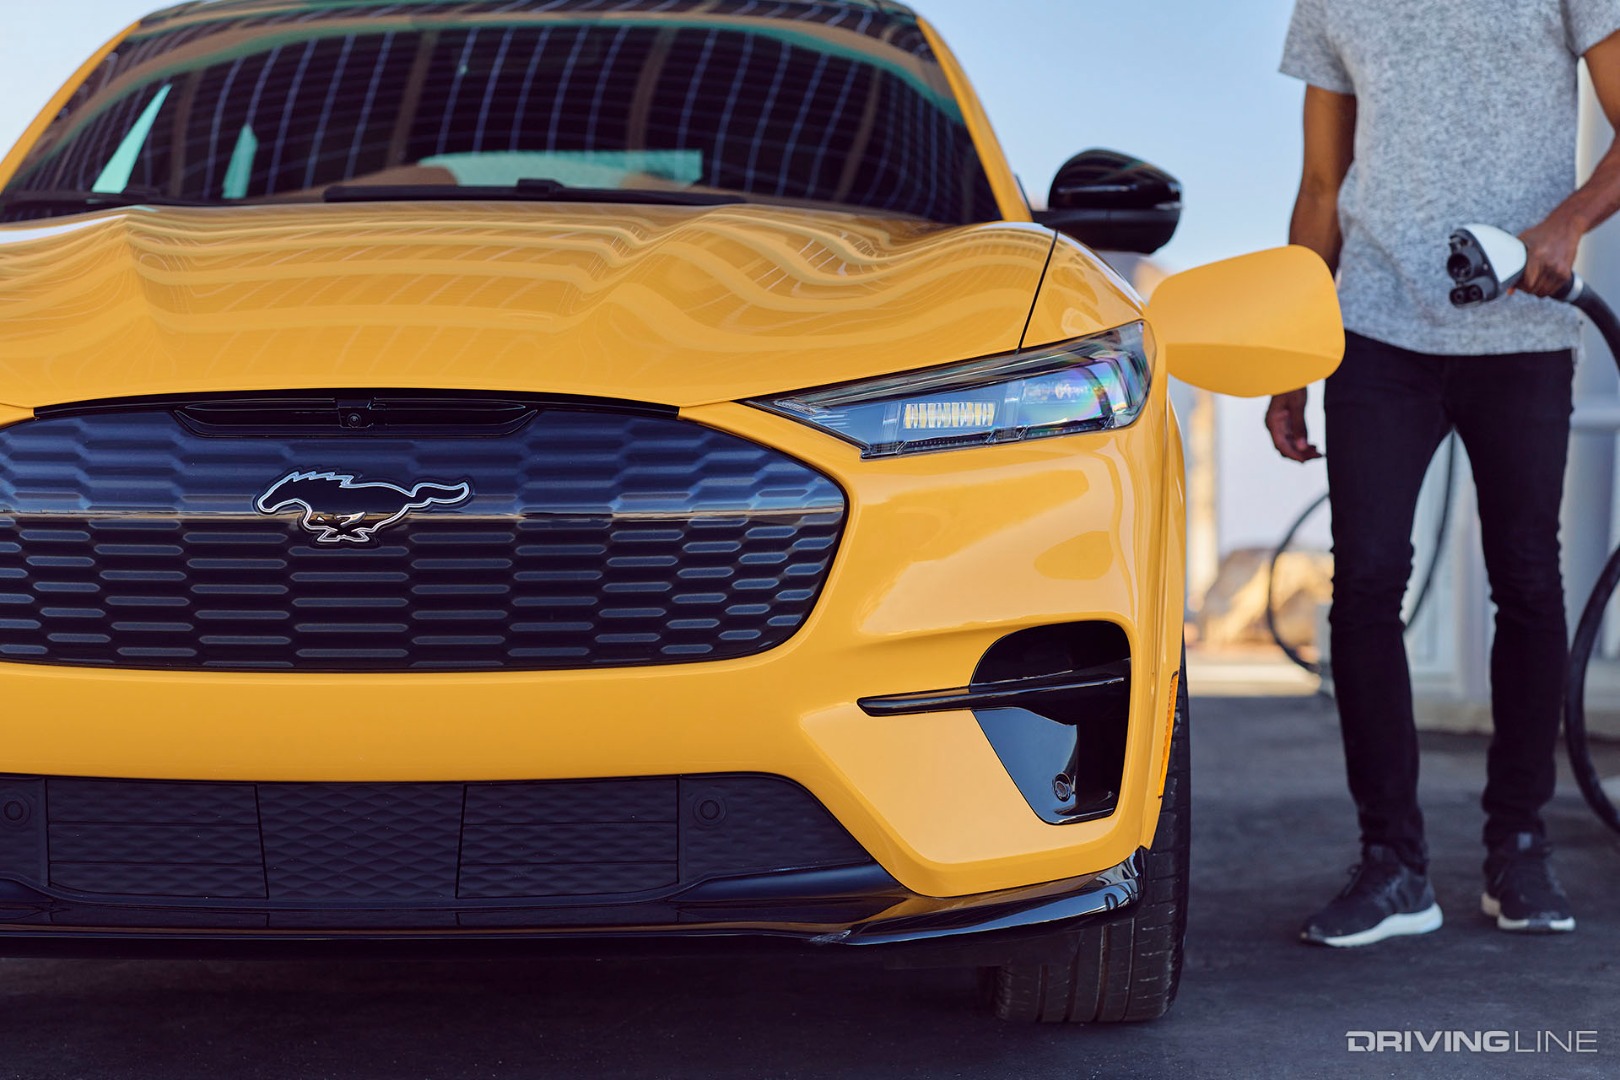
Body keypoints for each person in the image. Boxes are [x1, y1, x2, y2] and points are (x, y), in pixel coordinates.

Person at [1271, 0, 1620, 946]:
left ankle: (1519, 847)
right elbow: (1318, 182)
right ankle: (1393, 866)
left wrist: (1567, 223)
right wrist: (1289, 356)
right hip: (1376, 327)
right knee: (1369, 582)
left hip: (1522, 324)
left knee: (1528, 581)